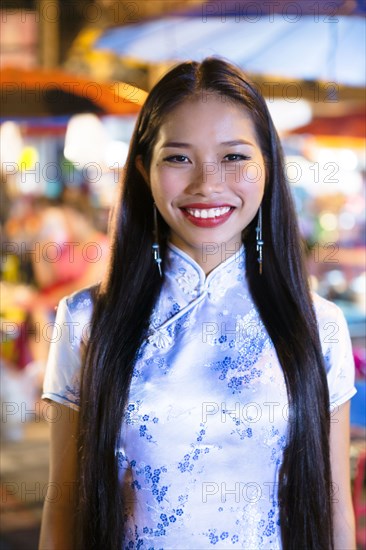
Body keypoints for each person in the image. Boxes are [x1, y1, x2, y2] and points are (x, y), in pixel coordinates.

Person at [39, 58, 356, 550]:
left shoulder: (320, 327)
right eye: (179, 158)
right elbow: (63, 507)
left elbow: (334, 510)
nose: (207, 184)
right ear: (144, 168)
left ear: (268, 166)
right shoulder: (85, 320)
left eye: (233, 157)